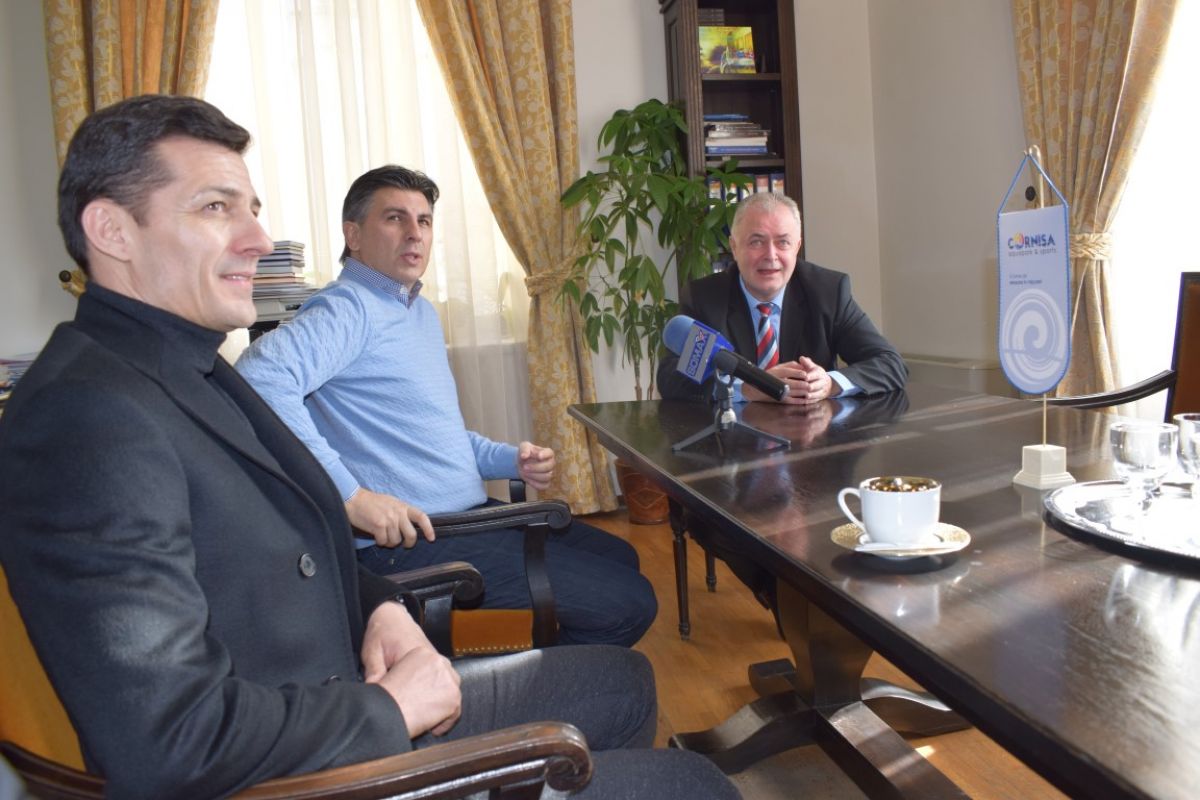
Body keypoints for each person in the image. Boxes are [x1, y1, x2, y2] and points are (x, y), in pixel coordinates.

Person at [0, 95, 737, 800]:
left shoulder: (192, 368)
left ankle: (506, 723)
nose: (260, 239)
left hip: (343, 676)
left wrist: (380, 608)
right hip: (322, 760)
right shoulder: (84, 419)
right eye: (216, 207)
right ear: (112, 231)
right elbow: (168, 742)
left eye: (251, 208)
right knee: (694, 780)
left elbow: (295, 540)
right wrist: (391, 706)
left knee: (624, 680)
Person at [236, 165, 656, 647]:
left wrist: (508, 459)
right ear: (354, 235)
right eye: (395, 218)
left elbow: (434, 435)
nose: (415, 233)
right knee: (630, 604)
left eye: (424, 221)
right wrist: (351, 497)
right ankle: (503, 679)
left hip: (464, 518)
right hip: (412, 541)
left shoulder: (416, 311)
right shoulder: (348, 308)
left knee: (623, 560)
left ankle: (489, 654)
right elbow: (259, 377)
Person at [657, 191, 907, 405]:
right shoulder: (706, 299)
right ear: (734, 247)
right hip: (734, 440)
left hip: (814, 440)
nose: (771, 255)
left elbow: (889, 363)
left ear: (797, 247)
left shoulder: (827, 292)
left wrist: (830, 383)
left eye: (783, 242)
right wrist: (748, 389)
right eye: (756, 242)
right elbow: (673, 380)